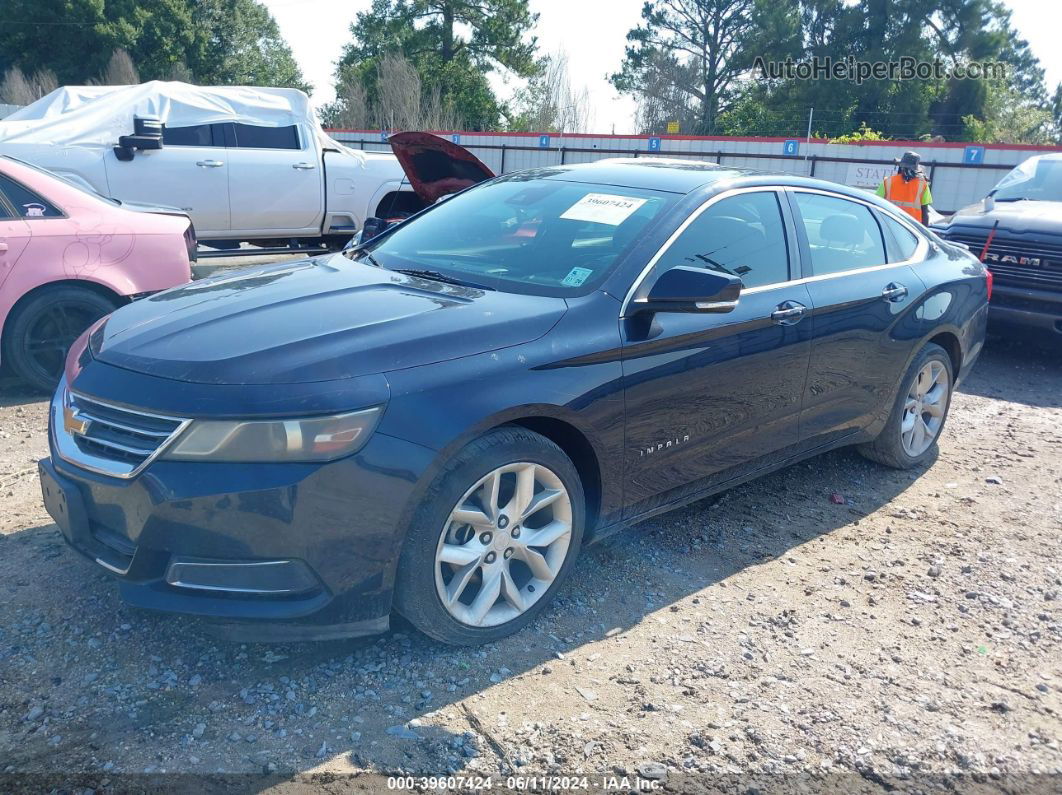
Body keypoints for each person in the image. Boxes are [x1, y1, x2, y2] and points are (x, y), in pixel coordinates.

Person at [876, 151, 933, 224]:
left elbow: (876, 203)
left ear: (901, 166)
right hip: (912, 228)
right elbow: (925, 213)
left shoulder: (888, 181)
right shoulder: (923, 184)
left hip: (889, 224)